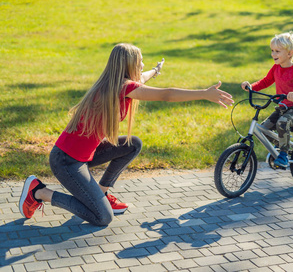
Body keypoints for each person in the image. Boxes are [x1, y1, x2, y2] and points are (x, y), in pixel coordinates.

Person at [19, 43, 234, 226]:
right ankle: (39, 192)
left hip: (83, 156)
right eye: (139, 62)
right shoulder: (122, 87)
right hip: (66, 161)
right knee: (102, 217)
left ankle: (101, 191)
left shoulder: (113, 83)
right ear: (129, 65)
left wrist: (155, 71)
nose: (141, 66)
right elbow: (166, 94)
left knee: (133, 144)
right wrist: (204, 94)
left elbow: (142, 79)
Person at [241, 31, 293, 169]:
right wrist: (251, 87)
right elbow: (266, 81)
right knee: (263, 130)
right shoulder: (276, 69)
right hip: (283, 107)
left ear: (289, 53)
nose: (273, 54)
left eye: (277, 51)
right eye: (272, 51)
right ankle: (287, 147)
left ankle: (284, 156)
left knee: (282, 123)